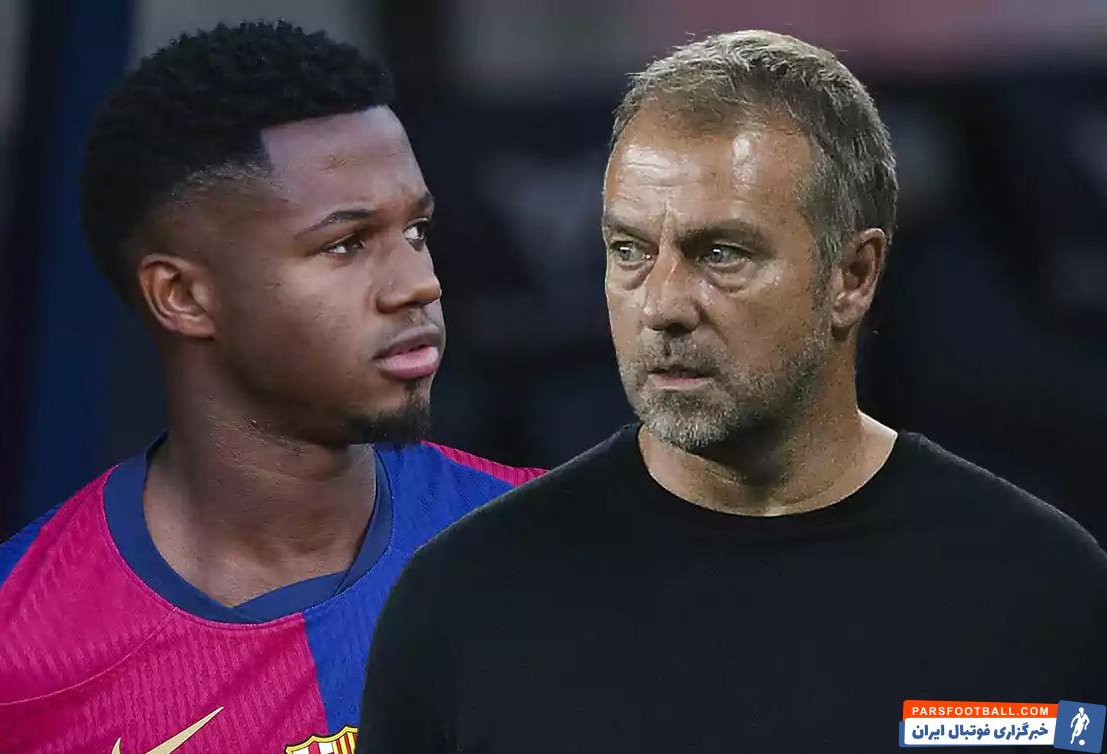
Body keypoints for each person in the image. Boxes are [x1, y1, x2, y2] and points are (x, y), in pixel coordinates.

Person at [358, 30, 1107, 752]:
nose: (663, 306)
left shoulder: (1041, 587)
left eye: (721, 253)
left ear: (853, 277)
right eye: (629, 251)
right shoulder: (463, 605)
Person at [0, 22, 542, 753]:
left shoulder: (557, 547)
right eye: (345, 243)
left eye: (417, 231)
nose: (418, 283)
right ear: (182, 297)